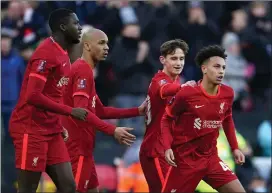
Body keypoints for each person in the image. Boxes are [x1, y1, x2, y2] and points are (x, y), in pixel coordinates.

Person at [9, 9, 87, 193]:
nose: (80, 27)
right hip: (30, 128)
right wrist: (69, 111)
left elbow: (53, 94)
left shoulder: (63, 54)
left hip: (51, 129)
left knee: (68, 186)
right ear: (62, 27)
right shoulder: (46, 54)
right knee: (28, 188)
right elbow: (33, 96)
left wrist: (58, 123)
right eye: (75, 24)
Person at [62, 28, 145, 193]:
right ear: (87, 46)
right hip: (75, 147)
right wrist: (113, 130)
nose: (106, 47)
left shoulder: (87, 72)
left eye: (107, 43)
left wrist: (137, 111)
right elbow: (81, 112)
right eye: (101, 43)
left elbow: (101, 111)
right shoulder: (82, 71)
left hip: (84, 148)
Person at [161, 45, 246, 193]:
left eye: (223, 68)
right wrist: (167, 147)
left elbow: (227, 119)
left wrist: (235, 148)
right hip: (185, 161)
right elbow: (166, 119)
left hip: (211, 159)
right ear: (204, 68)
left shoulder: (228, 93)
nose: (221, 71)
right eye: (216, 67)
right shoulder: (187, 93)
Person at [139, 39, 191, 192]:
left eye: (181, 59)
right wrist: (186, 88)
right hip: (156, 150)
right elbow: (166, 90)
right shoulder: (159, 81)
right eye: (173, 58)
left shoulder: (177, 80)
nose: (178, 63)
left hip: (167, 149)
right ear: (163, 60)